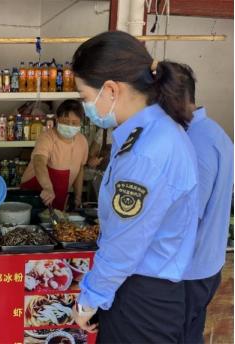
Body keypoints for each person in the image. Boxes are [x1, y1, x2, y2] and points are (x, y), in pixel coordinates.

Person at [70, 31, 199, 343]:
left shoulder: (146, 152)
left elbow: (124, 243)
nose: (87, 108)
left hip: (142, 298)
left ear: (111, 90)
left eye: (86, 98)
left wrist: (89, 299)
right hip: (145, 291)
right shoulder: (150, 133)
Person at [176, 63, 234, 344]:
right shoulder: (215, 133)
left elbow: (187, 217)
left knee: (181, 335)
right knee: (191, 332)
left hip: (190, 268)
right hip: (207, 262)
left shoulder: (196, 143)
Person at [20, 99, 89, 210]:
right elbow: (39, 162)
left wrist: (78, 197)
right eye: (65, 122)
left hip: (59, 198)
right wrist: (47, 187)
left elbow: (80, 169)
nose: (70, 126)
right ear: (57, 119)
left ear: (80, 123)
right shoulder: (47, 137)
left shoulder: (82, 141)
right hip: (33, 196)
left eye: (75, 123)